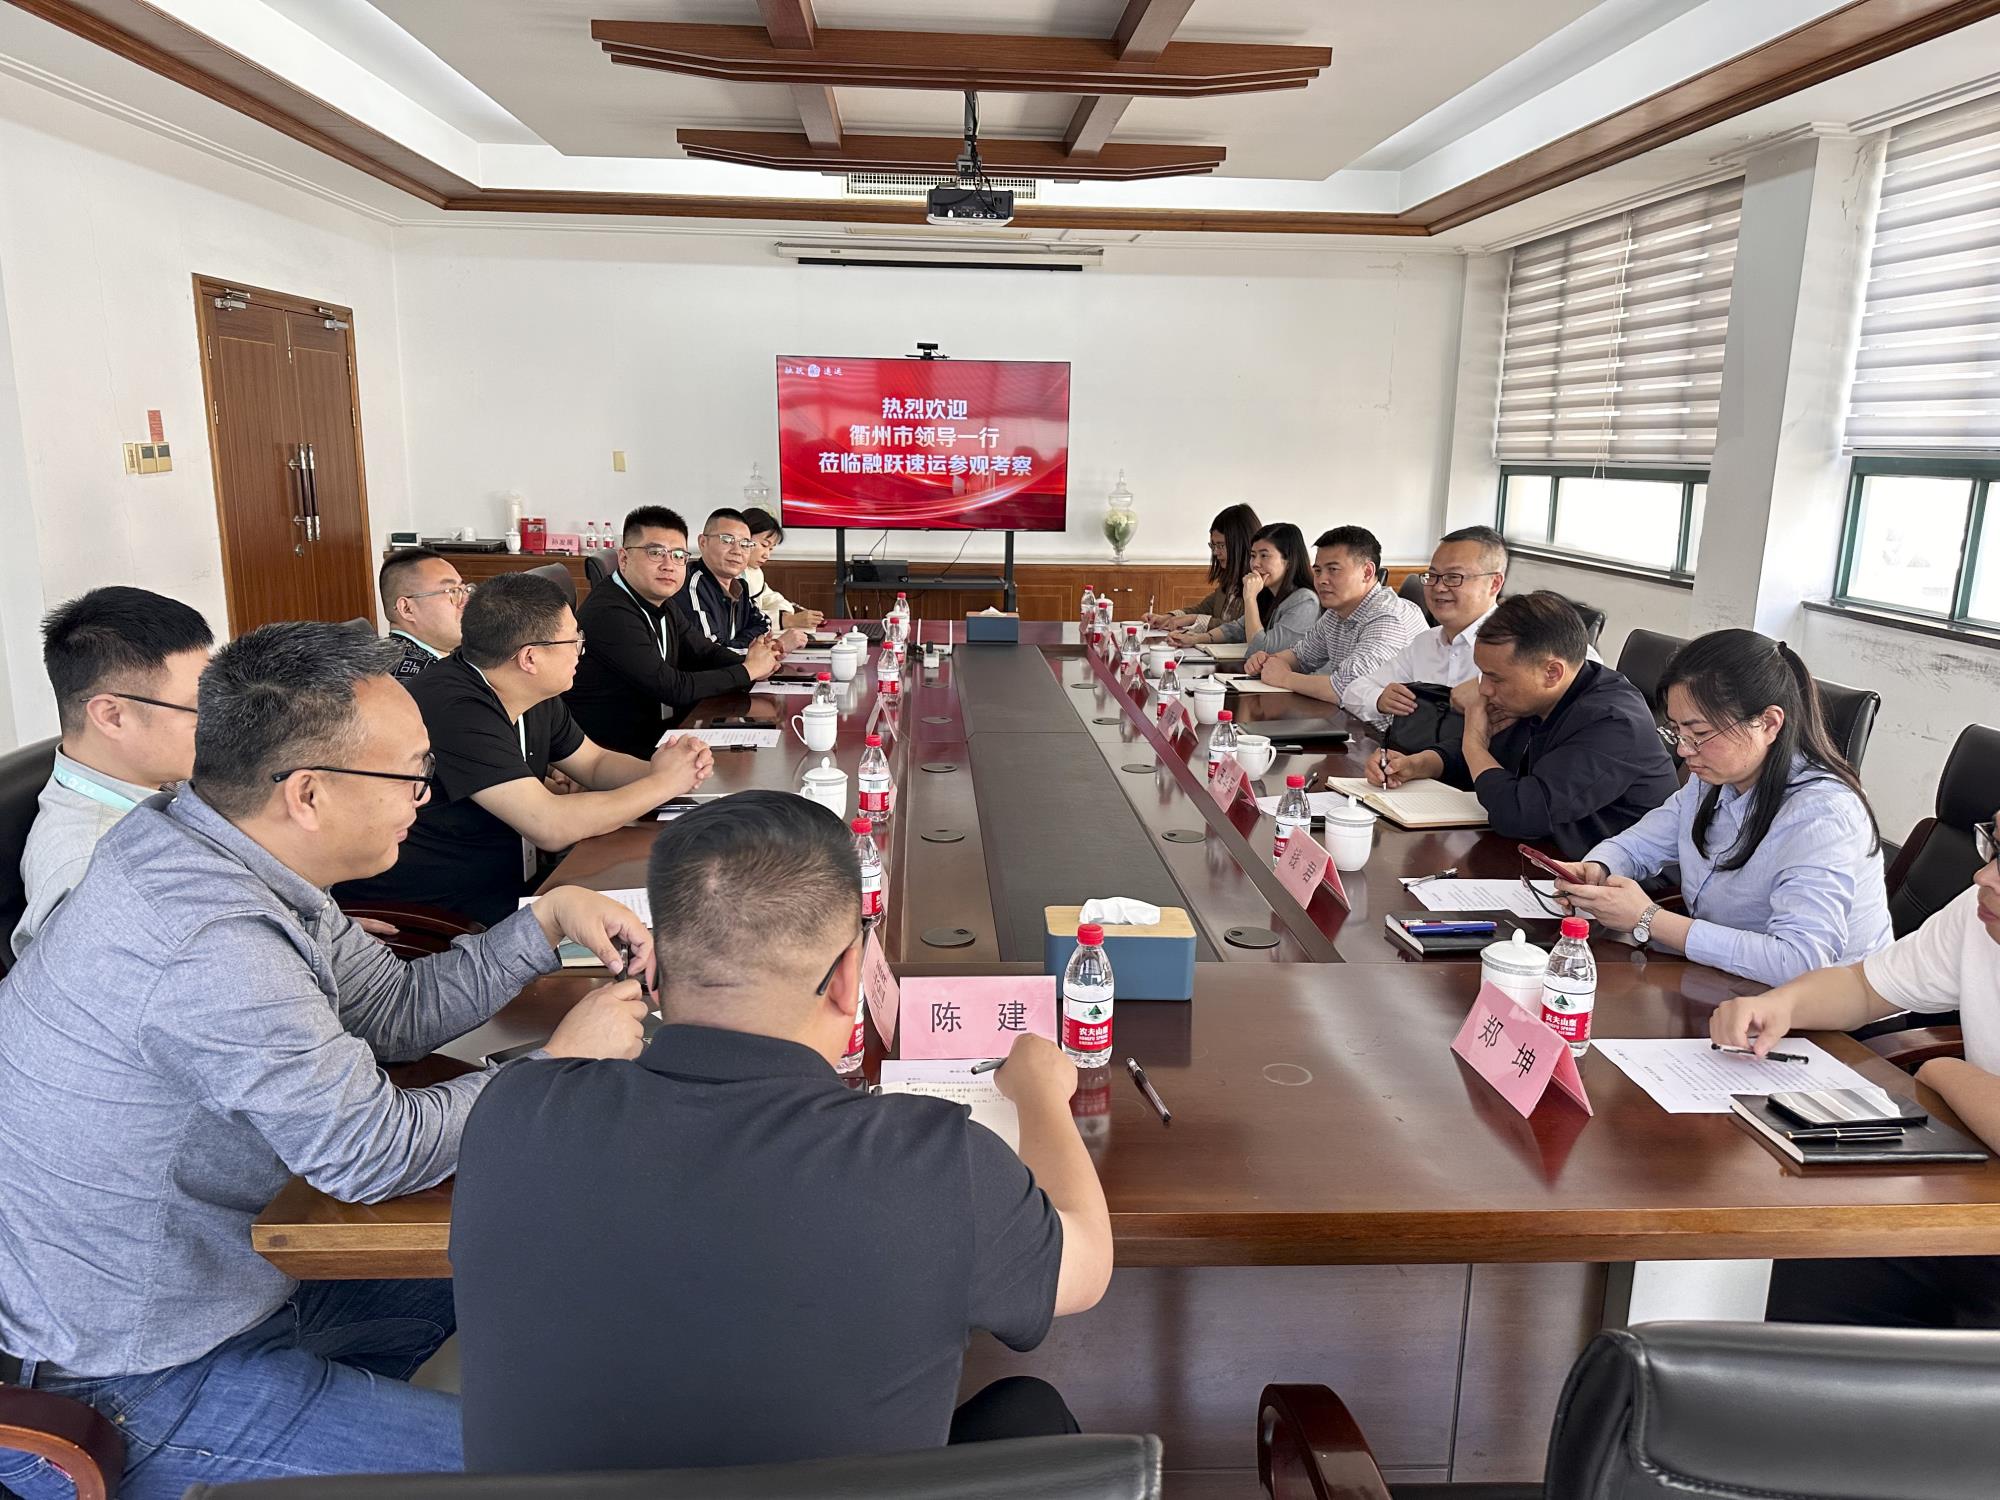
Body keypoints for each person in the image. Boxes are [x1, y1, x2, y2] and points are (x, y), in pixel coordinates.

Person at [0, 621, 653, 1500]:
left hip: (244, 1281)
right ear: (307, 793)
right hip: (133, 1376)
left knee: (559, 1247)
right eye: (414, 774)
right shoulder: (205, 936)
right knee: (571, 1478)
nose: (426, 796)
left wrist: (547, 919)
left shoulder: (218, 847)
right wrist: (556, 1068)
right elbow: (369, 1152)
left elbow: (393, 1012)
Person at [452, 791, 1113, 1473]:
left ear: (655, 972)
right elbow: (1088, 1265)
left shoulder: (507, 1114)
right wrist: (1041, 1093)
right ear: (849, 978)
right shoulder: (937, 1164)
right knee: (1028, 1411)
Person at [1712, 816, 2000, 1327]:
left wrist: (1943, 1069)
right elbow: (1867, 988)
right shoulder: (1981, 912)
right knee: (1812, 1256)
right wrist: (1780, 1005)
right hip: (1967, 1198)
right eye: (1995, 844)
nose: (1984, 875)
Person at [336, 573, 714, 927]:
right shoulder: (453, 705)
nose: (581, 650)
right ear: (530, 658)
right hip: (441, 910)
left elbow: (595, 763)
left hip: (514, 881)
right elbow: (549, 825)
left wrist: (670, 768)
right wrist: (662, 784)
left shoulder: (527, 688)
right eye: (573, 640)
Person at [1545, 630, 1889, 986]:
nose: (1683, 750)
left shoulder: (1823, 815)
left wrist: (1647, 918)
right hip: (1724, 982)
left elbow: (1801, 961)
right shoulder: (1713, 778)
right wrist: (1598, 868)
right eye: (1677, 731)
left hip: (1820, 1009)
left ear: (1769, 723)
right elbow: (1638, 844)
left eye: (1700, 733)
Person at [1368, 591, 1678, 857]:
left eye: (1496, 678)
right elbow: (1490, 757)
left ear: (1552, 673)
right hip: (1540, 856)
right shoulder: (1537, 696)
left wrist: (1473, 744)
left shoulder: (1613, 722)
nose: (1484, 689)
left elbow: (1519, 813)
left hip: (1620, 883)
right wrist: (1418, 764)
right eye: (1482, 675)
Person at [11, 587, 212, 958]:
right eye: (198, 708)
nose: (215, 722)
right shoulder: (87, 872)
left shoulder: (161, 779)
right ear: (112, 716)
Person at [567, 506, 783, 757]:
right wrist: (748, 670)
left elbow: (704, 652)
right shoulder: (610, 612)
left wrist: (758, 664)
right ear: (624, 559)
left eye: (679, 555)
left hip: (656, 735)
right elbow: (672, 688)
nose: (669, 565)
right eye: (655, 553)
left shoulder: (662, 601)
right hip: (611, 753)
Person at [1340, 525, 1508, 730]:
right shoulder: (1426, 642)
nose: (1438, 587)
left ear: (1494, 583)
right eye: (1432, 575)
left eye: (1453, 577)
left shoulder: (1515, 646)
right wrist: (1379, 699)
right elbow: (1353, 692)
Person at [1243, 527, 1425, 705]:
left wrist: (1285, 678)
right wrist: (1266, 661)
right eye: (1318, 571)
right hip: (1350, 718)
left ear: (1367, 572)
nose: (1321, 580)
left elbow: (1349, 689)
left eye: (1333, 570)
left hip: (1386, 725)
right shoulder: (1335, 612)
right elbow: (1301, 656)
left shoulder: (1387, 617)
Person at [1171, 521, 1318, 658]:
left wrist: (1250, 598)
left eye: (1264, 555)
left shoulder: (1305, 601)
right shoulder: (1269, 593)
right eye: (1253, 555)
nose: (1255, 564)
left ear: (1289, 561)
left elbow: (1261, 650)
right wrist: (1196, 639)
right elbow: (1238, 628)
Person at [675, 507, 809, 655]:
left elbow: (764, 624)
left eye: (745, 544)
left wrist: (744, 644)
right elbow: (712, 653)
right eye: (727, 540)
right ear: (703, 542)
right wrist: (774, 647)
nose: (737, 551)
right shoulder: (691, 586)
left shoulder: (739, 586)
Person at [1149, 503, 1260, 631]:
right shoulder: (1230, 582)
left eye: (1221, 545)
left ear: (1241, 544)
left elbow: (1240, 629)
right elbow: (1203, 609)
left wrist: (1194, 619)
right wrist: (1168, 617)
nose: (1215, 552)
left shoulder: (1257, 587)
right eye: (1213, 546)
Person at [379, 547, 470, 678]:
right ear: (407, 608)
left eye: (465, 590)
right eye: (452, 591)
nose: (466, 601)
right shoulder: (424, 679)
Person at [742, 506, 825, 633]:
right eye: (764, 545)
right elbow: (740, 619)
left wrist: (785, 613)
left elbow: (770, 598)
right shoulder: (726, 573)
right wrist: (787, 620)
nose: (767, 555)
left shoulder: (754, 572)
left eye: (771, 549)